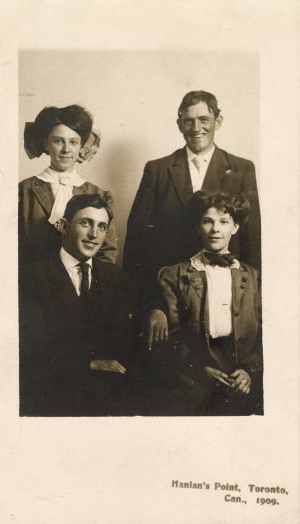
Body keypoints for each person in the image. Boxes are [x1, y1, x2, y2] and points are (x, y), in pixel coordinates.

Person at [123, 90, 261, 301]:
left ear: (218, 121)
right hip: (171, 291)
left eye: (204, 119)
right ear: (180, 125)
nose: (196, 128)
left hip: (228, 290)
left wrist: (254, 296)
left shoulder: (242, 168)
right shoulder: (157, 170)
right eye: (189, 121)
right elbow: (137, 240)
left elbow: (252, 238)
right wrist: (149, 303)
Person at [146, 191, 263, 416]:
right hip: (192, 379)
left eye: (224, 221)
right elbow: (168, 338)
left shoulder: (254, 278)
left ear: (235, 227)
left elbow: (269, 335)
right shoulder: (173, 275)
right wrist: (199, 369)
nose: (216, 229)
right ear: (197, 226)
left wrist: (248, 370)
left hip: (242, 378)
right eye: (208, 221)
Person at [19, 194, 135, 416]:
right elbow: (31, 348)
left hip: (107, 399)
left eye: (101, 227)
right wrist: (88, 364)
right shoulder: (30, 276)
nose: (94, 235)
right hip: (52, 397)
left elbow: (128, 338)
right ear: (63, 226)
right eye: (85, 223)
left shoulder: (116, 277)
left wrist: (157, 310)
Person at [19, 104, 118, 266]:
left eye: (73, 142)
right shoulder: (23, 191)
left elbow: (107, 252)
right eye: (58, 141)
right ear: (46, 144)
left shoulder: (98, 194)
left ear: (81, 147)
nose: (66, 149)